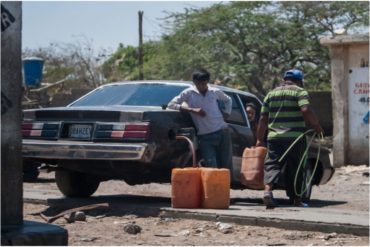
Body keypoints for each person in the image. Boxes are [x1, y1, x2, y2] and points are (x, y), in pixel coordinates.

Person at [255, 69, 323, 208]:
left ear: (284, 79)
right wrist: (316, 125)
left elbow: (263, 118)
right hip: (295, 138)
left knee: (272, 164)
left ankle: (267, 191)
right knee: (296, 167)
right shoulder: (300, 92)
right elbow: (305, 110)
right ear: (300, 80)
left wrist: (259, 139)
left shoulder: (270, 94)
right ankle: (296, 200)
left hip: (274, 137)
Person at [168, 69, 234, 178]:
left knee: (225, 164)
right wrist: (192, 110)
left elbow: (228, 100)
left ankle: (223, 191)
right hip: (205, 135)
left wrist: (227, 113)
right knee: (211, 165)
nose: (201, 86)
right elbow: (171, 104)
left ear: (207, 81)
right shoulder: (188, 93)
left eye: (203, 83)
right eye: (198, 83)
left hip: (222, 131)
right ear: (194, 82)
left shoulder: (214, 92)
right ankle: (212, 190)